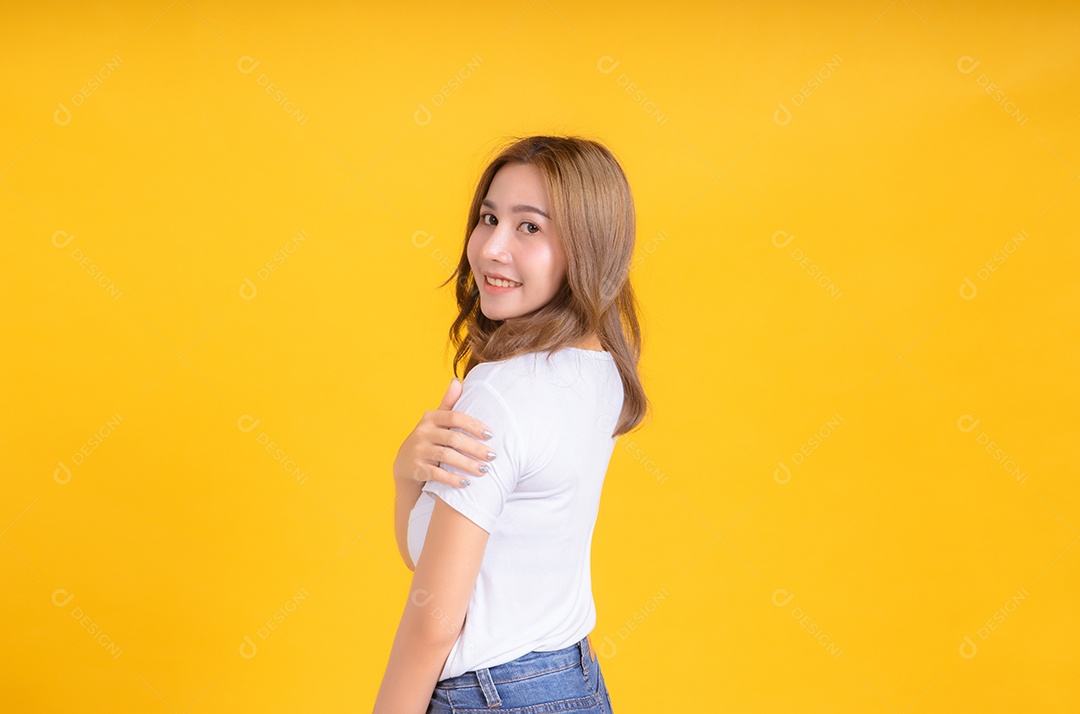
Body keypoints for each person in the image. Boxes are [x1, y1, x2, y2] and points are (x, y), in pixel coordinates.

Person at [373, 134, 648, 714]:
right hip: (574, 682)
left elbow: (435, 622)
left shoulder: (500, 394)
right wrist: (406, 476)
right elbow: (438, 564)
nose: (492, 248)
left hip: (493, 695)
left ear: (587, 247)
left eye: (529, 227)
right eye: (489, 218)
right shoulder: (600, 372)